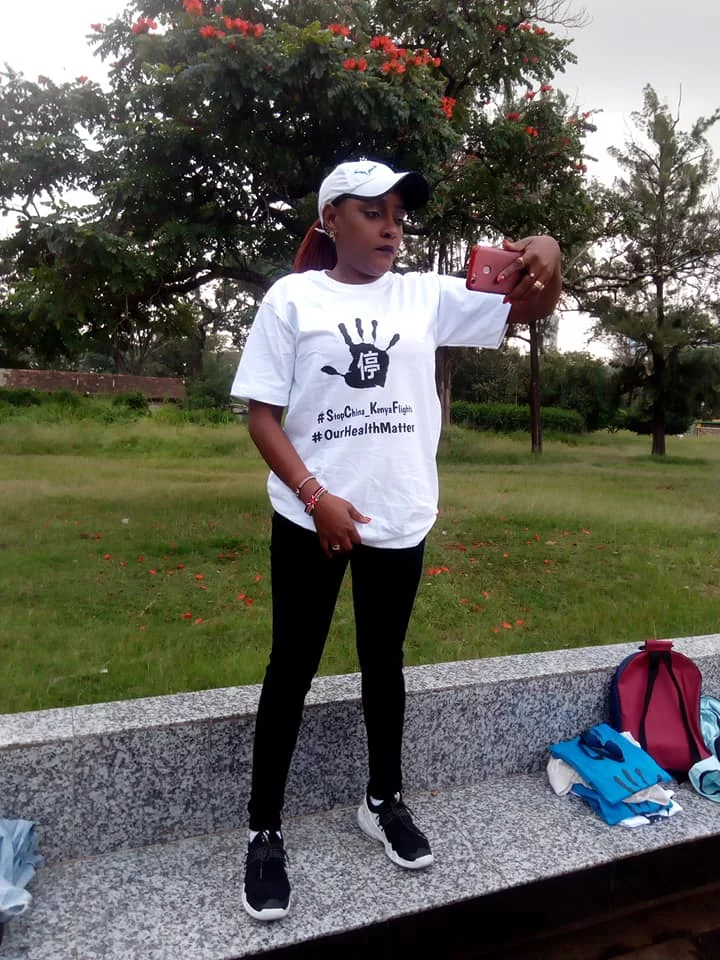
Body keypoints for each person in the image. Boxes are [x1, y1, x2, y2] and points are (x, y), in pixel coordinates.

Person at [230, 159, 562, 922]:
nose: (391, 229)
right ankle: (263, 828)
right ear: (331, 218)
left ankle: (382, 800)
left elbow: (528, 303)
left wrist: (547, 250)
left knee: (384, 664)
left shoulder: (425, 297)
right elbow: (261, 416)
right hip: (311, 519)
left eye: (399, 217)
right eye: (373, 212)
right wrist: (316, 498)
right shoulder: (292, 299)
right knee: (292, 668)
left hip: (398, 515)